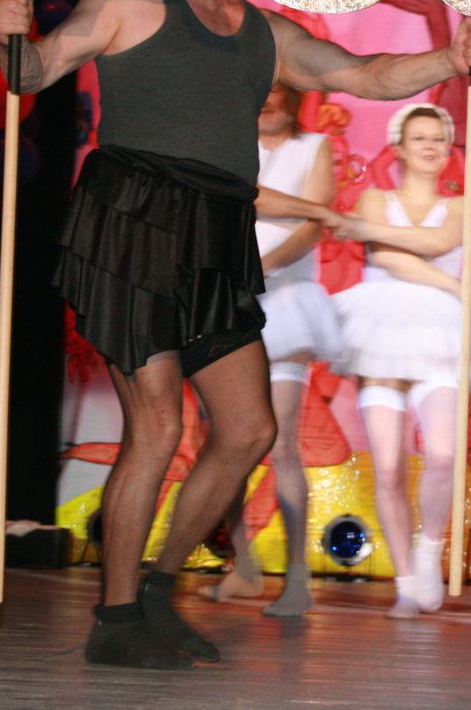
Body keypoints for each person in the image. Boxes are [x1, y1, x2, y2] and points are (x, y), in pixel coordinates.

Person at [0, 0, 471, 670]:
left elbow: (364, 75)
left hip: (217, 232)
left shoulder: (263, 33)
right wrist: (12, 36)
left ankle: (156, 593)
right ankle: (115, 618)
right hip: (134, 222)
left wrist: (447, 58)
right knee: (157, 424)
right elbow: (37, 70)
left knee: (250, 427)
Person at [201, 84, 338, 617]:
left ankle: (298, 577)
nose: (267, 100)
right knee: (225, 444)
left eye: (278, 91)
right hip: (227, 305)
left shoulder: (314, 147)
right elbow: (240, 200)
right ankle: (244, 566)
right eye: (259, 91)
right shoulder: (230, 148)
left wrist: (260, 269)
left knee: (280, 444)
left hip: (283, 304)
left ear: (295, 99)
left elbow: (313, 226)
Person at [329, 104, 466, 619]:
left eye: (438, 138)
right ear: (401, 148)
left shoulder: (460, 204)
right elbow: (384, 257)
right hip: (382, 333)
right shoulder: (374, 198)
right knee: (388, 467)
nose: (430, 146)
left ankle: (429, 549)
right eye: (419, 138)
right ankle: (406, 579)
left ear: (447, 150)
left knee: (443, 454)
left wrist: (376, 235)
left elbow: (438, 240)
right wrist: (450, 281)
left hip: (439, 337)